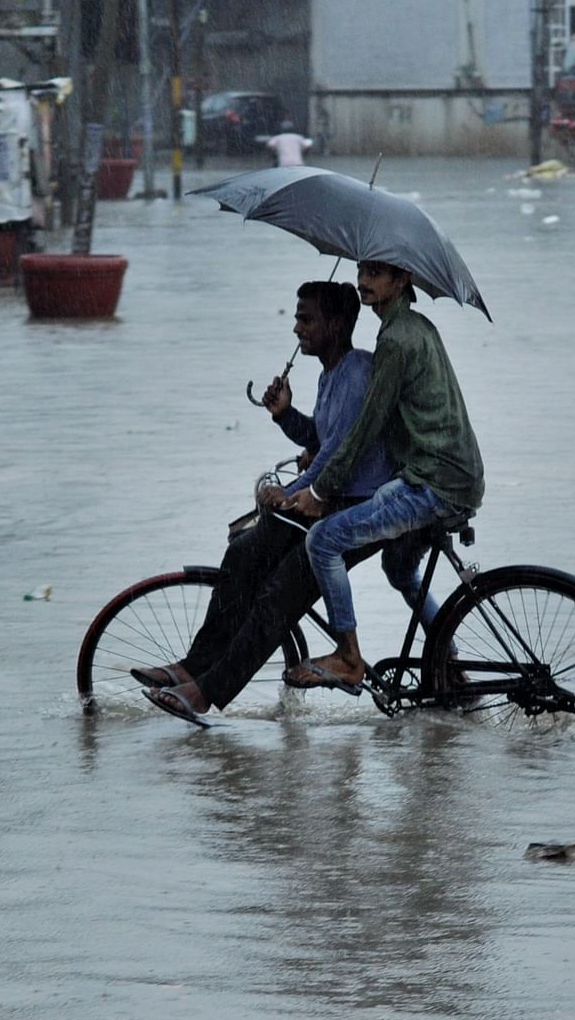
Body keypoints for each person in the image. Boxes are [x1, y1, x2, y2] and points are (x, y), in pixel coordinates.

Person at [135, 280, 432, 725]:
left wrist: (293, 493)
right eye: (296, 318)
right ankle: (195, 664)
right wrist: (285, 415)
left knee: (279, 593)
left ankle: (205, 692)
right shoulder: (331, 374)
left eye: (307, 319)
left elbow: (338, 457)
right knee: (245, 552)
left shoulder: (356, 373)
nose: (297, 328)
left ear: (336, 324)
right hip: (334, 498)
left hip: (361, 506)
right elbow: (322, 439)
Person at [279, 259, 484, 692]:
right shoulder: (416, 326)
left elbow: (366, 426)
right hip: (455, 474)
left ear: (402, 279)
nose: (363, 281)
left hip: (433, 480)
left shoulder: (394, 341)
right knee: (398, 567)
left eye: (375, 273)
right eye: (361, 272)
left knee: (324, 540)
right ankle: (449, 663)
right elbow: (351, 430)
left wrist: (319, 489)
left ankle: (349, 657)